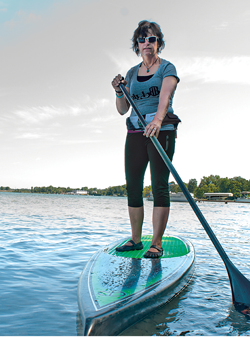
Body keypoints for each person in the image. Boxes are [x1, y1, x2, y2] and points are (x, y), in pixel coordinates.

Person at [111, 20, 180, 258]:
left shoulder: (166, 68)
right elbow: (122, 109)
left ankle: (157, 243)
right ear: (137, 45)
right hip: (135, 133)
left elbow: (165, 97)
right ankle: (136, 240)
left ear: (158, 42)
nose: (146, 43)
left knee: (159, 186)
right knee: (133, 186)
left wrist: (158, 121)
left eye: (151, 39)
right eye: (142, 40)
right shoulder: (131, 73)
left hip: (161, 131)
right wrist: (119, 91)